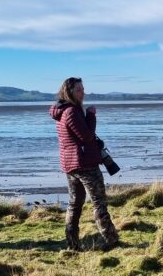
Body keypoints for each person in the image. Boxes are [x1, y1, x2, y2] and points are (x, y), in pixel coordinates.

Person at [49, 77, 120, 251]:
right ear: (70, 91)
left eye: (83, 89)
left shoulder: (63, 111)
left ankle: (72, 244)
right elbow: (86, 136)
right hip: (84, 164)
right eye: (79, 89)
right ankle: (111, 240)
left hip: (71, 164)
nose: (83, 93)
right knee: (98, 202)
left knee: (75, 203)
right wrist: (92, 115)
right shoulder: (71, 112)